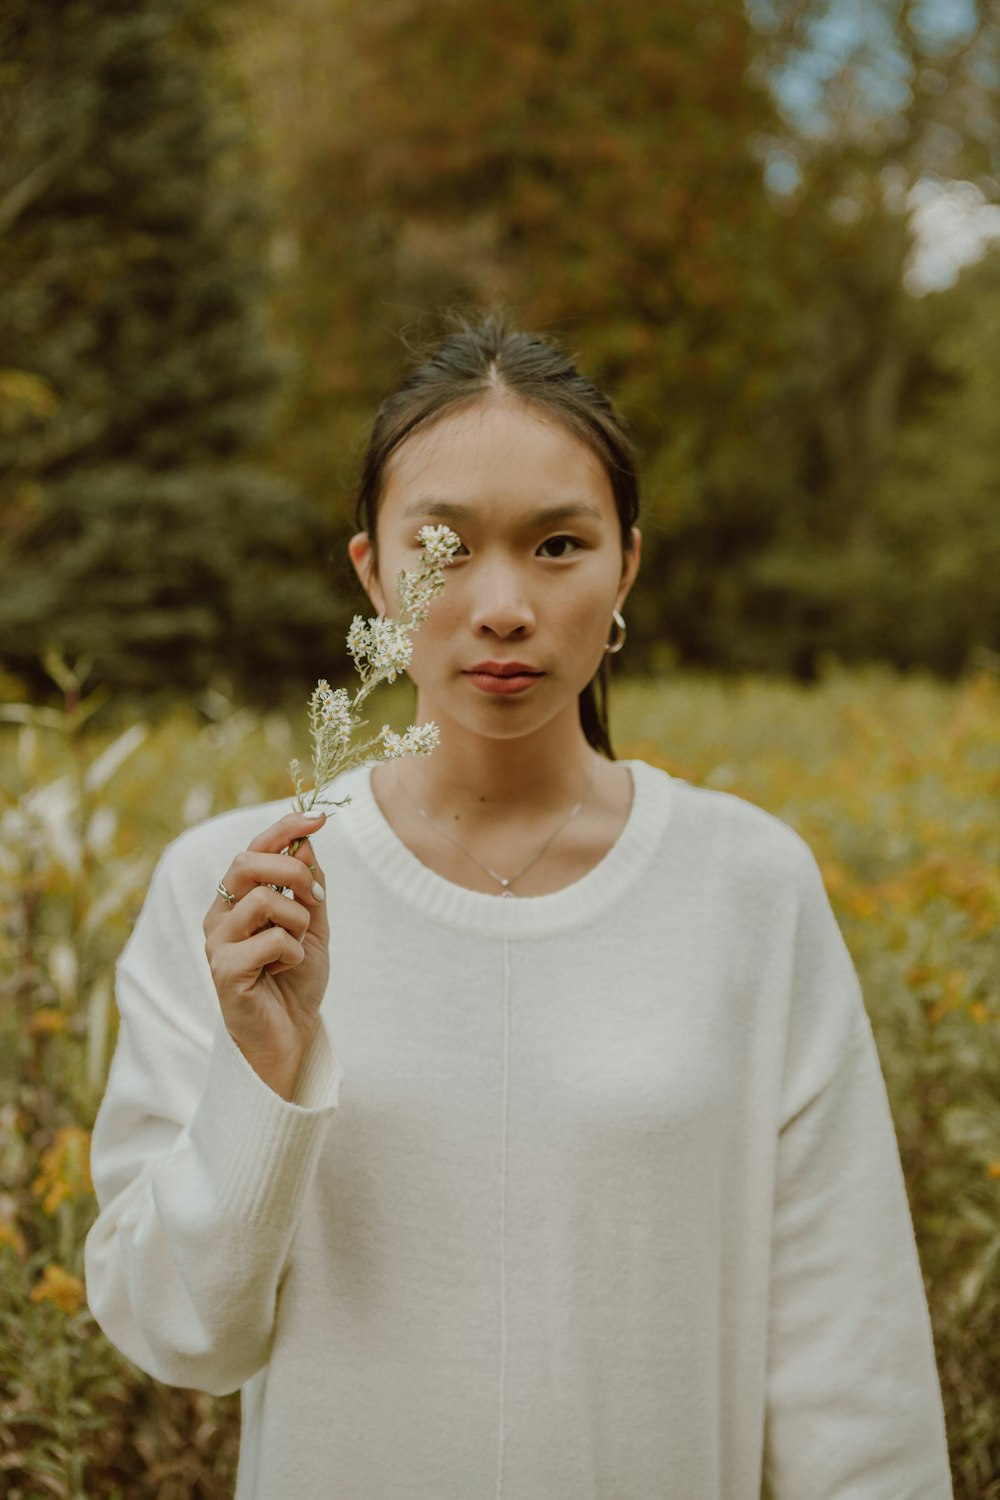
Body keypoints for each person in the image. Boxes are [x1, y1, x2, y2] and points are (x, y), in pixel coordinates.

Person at [85, 316, 953, 1499]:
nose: (501, 604)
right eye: (442, 547)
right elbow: (181, 1335)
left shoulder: (746, 886)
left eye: (556, 545)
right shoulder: (238, 896)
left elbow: (851, 1372)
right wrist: (261, 1073)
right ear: (373, 573)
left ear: (626, 566)